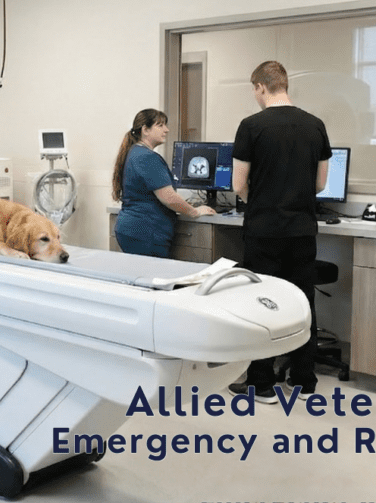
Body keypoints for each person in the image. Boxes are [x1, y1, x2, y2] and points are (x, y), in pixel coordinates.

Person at [228, 61, 331, 403]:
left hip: (264, 230)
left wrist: (260, 199)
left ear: (260, 87)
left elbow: (238, 184)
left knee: (264, 303)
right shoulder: (316, 126)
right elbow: (320, 183)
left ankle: (261, 383)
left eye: (253, 91)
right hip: (302, 231)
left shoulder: (251, 126)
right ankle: (303, 379)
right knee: (303, 302)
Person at [112, 108, 216, 258]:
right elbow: (168, 198)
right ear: (145, 130)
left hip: (133, 229)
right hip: (146, 232)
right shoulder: (147, 158)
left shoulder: (135, 152)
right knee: (153, 278)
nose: (166, 130)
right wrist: (195, 211)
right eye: (160, 125)